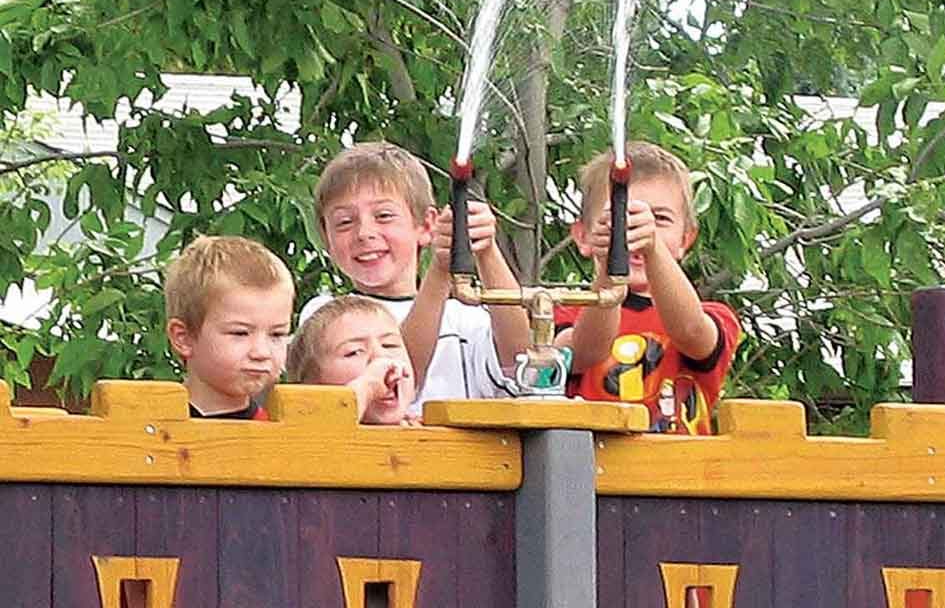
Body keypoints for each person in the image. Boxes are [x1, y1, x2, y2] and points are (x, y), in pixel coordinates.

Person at [299, 141, 529, 408]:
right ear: (326, 239)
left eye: (384, 216)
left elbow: (519, 360)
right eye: (344, 222)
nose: (364, 233)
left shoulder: (466, 318)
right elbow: (401, 377)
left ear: (426, 224)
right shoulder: (323, 316)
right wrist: (441, 269)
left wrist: (486, 250)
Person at [554, 141, 740, 434]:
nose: (635, 231)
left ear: (685, 240)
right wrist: (609, 267)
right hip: (592, 475)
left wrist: (653, 249)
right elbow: (582, 353)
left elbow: (691, 332)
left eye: (660, 219)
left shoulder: (715, 315)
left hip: (680, 476)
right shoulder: (567, 314)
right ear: (583, 236)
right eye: (618, 218)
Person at [164, 234, 294, 420]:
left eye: (276, 334)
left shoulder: (288, 438)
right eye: (240, 333)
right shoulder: (140, 429)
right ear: (183, 338)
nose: (262, 352)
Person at [286, 295, 416, 424]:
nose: (381, 358)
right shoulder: (305, 433)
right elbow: (326, 435)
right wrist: (368, 387)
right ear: (312, 385)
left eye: (390, 345)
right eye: (354, 352)